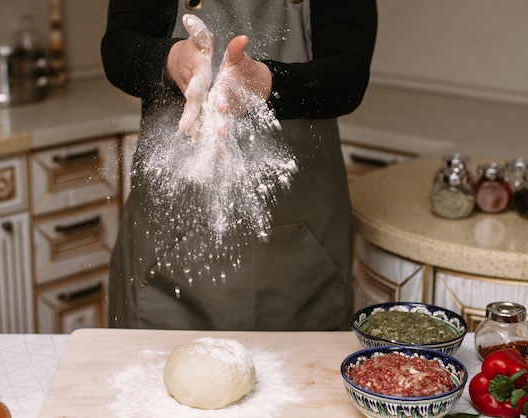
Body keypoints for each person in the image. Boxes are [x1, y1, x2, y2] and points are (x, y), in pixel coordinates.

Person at [101, 0, 378, 331]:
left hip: (303, 253)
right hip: (169, 252)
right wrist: (176, 61)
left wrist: (265, 83)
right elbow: (120, 47)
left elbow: (348, 75)